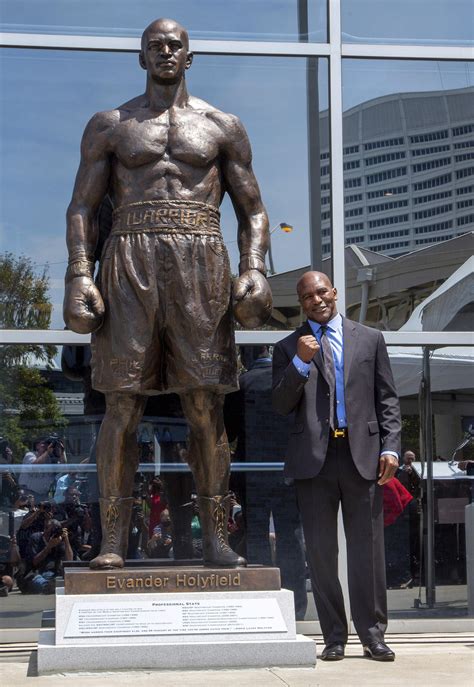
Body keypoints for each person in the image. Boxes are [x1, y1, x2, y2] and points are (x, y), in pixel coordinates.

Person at [63, 17, 271, 570]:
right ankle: (111, 539)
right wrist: (79, 273)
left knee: (205, 403)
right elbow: (82, 207)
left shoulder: (223, 126)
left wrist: (253, 266)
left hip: (201, 256)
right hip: (129, 256)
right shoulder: (110, 125)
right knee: (121, 404)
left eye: (174, 45)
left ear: (190, 56)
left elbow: (253, 209)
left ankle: (216, 538)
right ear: (140, 57)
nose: (165, 52)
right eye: (154, 46)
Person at [272, 271, 401, 662]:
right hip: (315, 462)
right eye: (307, 296)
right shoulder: (287, 347)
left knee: (368, 551)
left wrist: (391, 448)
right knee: (322, 553)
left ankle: (373, 634)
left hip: (362, 456)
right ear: (301, 302)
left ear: (334, 292)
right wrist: (300, 362)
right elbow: (280, 405)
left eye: (321, 291)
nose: (316, 300)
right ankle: (334, 637)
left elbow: (388, 399)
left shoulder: (369, 338)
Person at [225, 345, 308, 620]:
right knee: (291, 534)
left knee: (257, 533)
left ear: (245, 356)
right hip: (289, 467)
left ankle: (260, 598)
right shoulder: (288, 379)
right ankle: (295, 605)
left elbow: (231, 429)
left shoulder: (242, 384)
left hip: (253, 471)